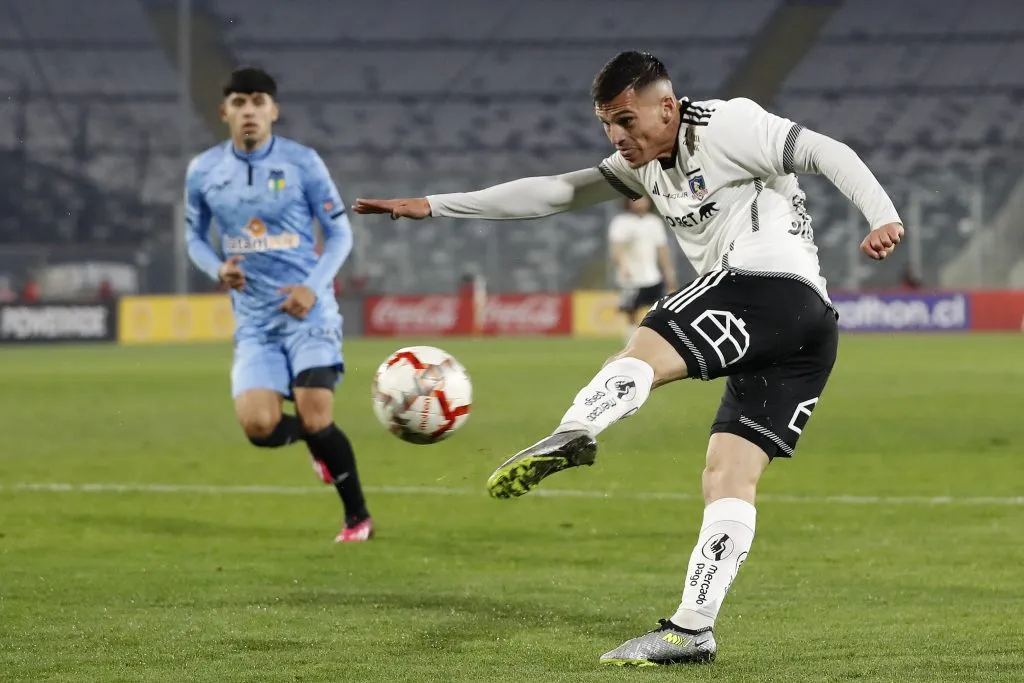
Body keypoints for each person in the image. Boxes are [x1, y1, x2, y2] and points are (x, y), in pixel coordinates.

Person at [354, 51, 903, 664]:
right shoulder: (643, 165)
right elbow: (556, 193)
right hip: (807, 336)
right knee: (727, 474)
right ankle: (692, 631)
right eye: (606, 123)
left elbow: (826, 151)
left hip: (767, 284)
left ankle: (576, 429)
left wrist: (881, 214)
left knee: (649, 340)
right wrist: (436, 204)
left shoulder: (728, 124)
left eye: (626, 119)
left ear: (666, 107)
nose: (618, 135)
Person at [185, 67, 372, 543]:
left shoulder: (302, 163)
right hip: (253, 320)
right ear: (224, 111)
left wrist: (311, 286)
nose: (249, 110)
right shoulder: (203, 170)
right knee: (259, 425)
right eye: (240, 102)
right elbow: (193, 236)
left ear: (273, 110)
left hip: (308, 314)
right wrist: (216, 269)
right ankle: (319, 445)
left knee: (315, 414)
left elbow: (339, 233)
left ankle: (357, 519)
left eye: (258, 101)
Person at [608, 195, 677, 340]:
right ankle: (631, 343)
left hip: (652, 276)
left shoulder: (654, 222)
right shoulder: (621, 222)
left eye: (643, 199)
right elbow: (616, 248)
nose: (640, 202)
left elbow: (662, 249)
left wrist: (669, 272)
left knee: (660, 310)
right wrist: (622, 266)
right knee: (631, 312)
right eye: (636, 199)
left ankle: (658, 341)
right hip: (631, 277)